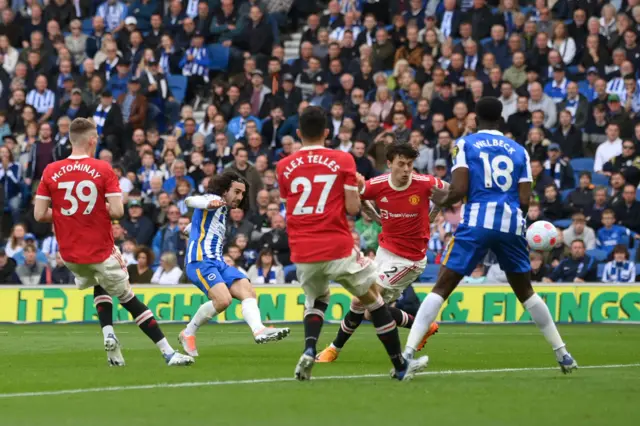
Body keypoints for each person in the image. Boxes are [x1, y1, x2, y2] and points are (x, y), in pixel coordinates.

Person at [402, 97, 577, 374]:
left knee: (442, 287)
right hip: (510, 224)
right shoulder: (519, 150)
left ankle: (407, 354)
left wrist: (436, 199)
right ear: (500, 119)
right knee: (527, 293)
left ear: (474, 119)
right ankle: (563, 354)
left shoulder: (466, 144)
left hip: (477, 223)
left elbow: (458, 190)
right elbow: (523, 201)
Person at [276, 106, 429, 381]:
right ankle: (400, 365)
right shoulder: (342, 159)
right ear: (327, 132)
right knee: (374, 300)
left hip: (301, 249)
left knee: (317, 299)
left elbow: (292, 204)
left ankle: (310, 348)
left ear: (298, 133)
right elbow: (352, 208)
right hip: (336, 245)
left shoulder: (283, 166)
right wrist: (355, 185)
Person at [33, 117, 193, 367]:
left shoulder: (51, 170)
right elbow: (118, 212)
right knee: (129, 298)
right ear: (92, 141)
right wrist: (95, 208)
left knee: (100, 282)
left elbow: (39, 214)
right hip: (100, 250)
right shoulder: (103, 169)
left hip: (71, 256)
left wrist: (68, 211)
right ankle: (168, 353)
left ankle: (108, 335)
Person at [316, 143, 444, 363]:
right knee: (365, 308)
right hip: (385, 251)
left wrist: (435, 212)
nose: (406, 169)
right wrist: (375, 216)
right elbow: (357, 195)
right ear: (389, 164)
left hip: (410, 259)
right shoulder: (378, 184)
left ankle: (333, 349)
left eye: (410, 165)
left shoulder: (424, 183)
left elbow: (449, 191)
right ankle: (422, 325)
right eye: (401, 164)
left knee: (362, 300)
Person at [179, 170, 291, 357]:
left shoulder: (222, 211)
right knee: (223, 300)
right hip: (200, 261)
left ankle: (259, 330)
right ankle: (188, 333)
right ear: (224, 190)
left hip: (218, 262)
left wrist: (189, 230)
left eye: (242, 193)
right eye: (236, 192)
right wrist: (208, 202)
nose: (239, 197)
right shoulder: (213, 199)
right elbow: (190, 201)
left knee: (247, 289)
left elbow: (193, 228)